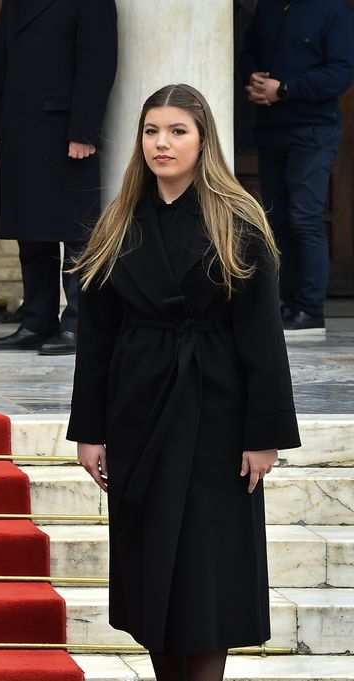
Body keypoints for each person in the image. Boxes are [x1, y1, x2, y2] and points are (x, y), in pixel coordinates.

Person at [68, 84, 301, 681]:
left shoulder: (238, 220)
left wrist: (265, 434)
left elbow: (262, 338)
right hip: (137, 409)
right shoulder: (116, 222)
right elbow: (94, 340)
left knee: (208, 575)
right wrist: (89, 431)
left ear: (203, 140)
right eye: (151, 131)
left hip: (217, 417)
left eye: (177, 131)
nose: (162, 143)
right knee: (151, 571)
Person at [0, 0, 118, 355]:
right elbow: (0, 61)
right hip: (17, 127)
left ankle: (77, 323)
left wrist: (85, 130)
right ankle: (36, 320)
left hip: (65, 130)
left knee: (75, 232)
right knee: (29, 231)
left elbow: (98, 61)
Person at [240, 0, 354, 335]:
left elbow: (341, 72)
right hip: (270, 128)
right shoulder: (268, 7)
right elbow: (249, 52)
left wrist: (285, 90)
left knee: (305, 218)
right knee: (277, 218)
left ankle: (309, 308)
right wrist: (253, 78)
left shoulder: (335, 12)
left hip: (314, 131)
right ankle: (286, 303)